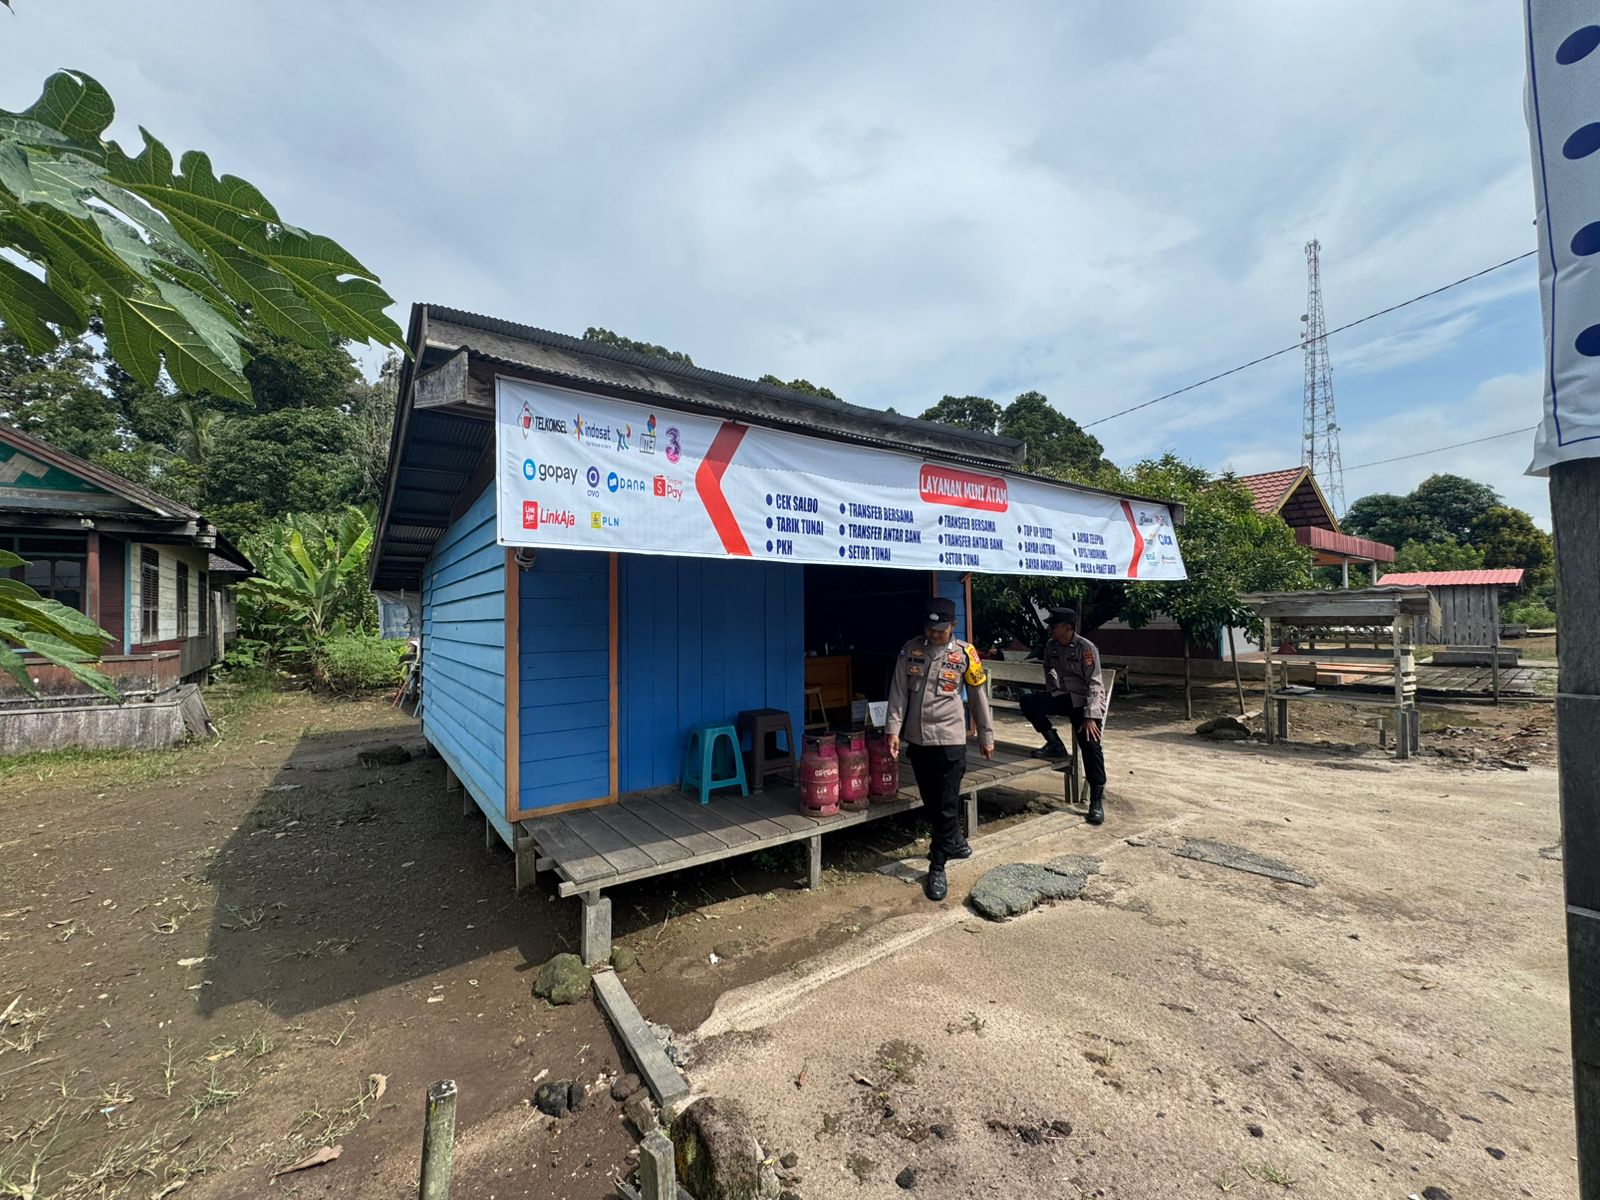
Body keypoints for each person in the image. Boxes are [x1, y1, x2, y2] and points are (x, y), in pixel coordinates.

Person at [885, 597, 995, 901]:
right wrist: (892, 730)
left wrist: (985, 734)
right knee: (932, 801)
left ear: (953, 626)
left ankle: (937, 865)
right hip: (918, 740)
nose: (935, 635)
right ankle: (956, 840)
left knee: (946, 803)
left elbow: (977, 696)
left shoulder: (966, 654)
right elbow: (898, 693)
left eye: (941, 630)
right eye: (931, 629)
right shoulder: (910, 650)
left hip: (950, 740)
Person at [1021, 607, 1107, 826]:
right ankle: (1054, 743)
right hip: (1064, 697)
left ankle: (1096, 801)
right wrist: (1054, 689)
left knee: (1090, 744)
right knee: (1028, 700)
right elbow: (1048, 667)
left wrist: (1090, 716)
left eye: (1054, 625)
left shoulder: (1085, 648)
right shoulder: (1051, 646)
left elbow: (1095, 683)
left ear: (1067, 628)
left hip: (1086, 702)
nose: (1050, 628)